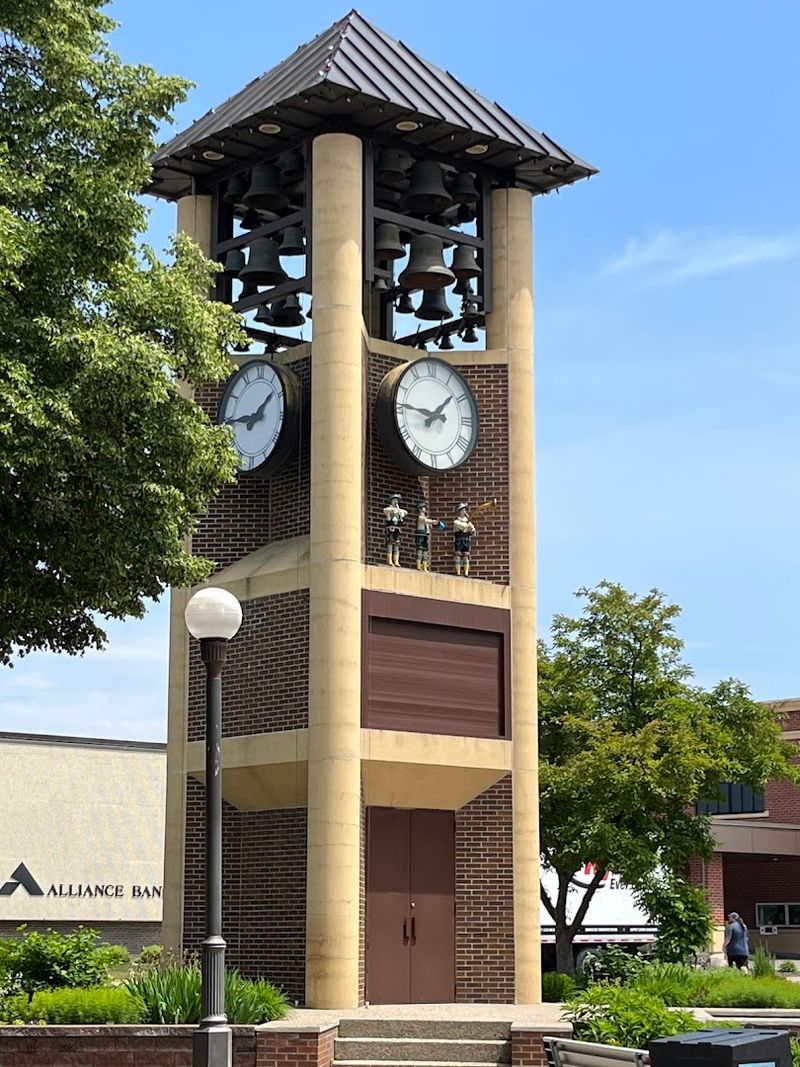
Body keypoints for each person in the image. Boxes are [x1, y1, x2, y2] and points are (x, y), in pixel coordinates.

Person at [382, 492, 407, 567]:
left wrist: (398, 511)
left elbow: (405, 512)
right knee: (390, 544)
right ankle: (389, 560)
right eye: (394, 500)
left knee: (397, 545)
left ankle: (396, 561)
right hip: (391, 529)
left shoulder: (399, 511)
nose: (396, 502)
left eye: (397, 500)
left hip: (397, 530)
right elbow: (385, 510)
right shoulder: (389, 509)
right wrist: (393, 510)